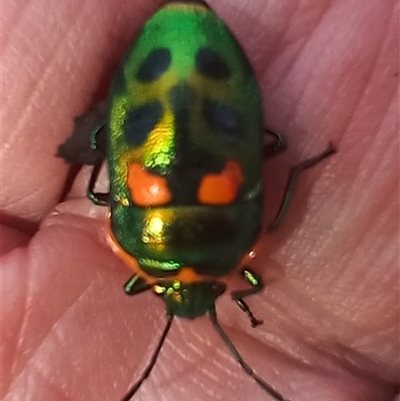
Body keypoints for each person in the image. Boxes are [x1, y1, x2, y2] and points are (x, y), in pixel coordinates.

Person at [2, 1, 398, 400]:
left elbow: (267, 217)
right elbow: (98, 197)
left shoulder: (235, 244)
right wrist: (101, 140)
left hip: (214, 158)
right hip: (151, 172)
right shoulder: (140, 243)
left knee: (274, 146)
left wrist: (296, 174)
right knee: (95, 192)